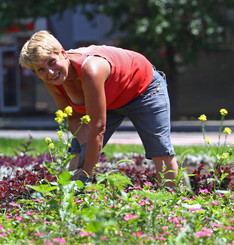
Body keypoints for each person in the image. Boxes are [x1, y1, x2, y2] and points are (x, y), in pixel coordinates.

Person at [19, 30, 178, 186]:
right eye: (41, 70)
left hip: (143, 90)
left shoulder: (90, 69)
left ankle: (170, 203)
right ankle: (70, 202)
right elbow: (73, 117)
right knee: (77, 154)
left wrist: (87, 173)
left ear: (62, 53)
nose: (50, 72)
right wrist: (84, 148)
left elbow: (98, 126)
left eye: (51, 62)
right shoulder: (53, 81)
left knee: (160, 151)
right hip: (108, 98)